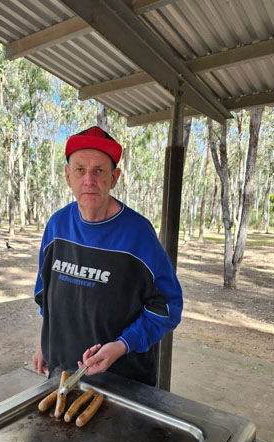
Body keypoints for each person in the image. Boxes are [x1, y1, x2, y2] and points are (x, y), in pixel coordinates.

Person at [32, 126, 183, 386]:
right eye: (80, 170)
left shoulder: (138, 234)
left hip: (123, 381)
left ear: (114, 178)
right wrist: (46, 342)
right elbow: (47, 296)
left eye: (99, 171)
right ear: (68, 176)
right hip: (63, 377)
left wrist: (122, 345)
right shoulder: (56, 227)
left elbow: (167, 307)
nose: (89, 180)